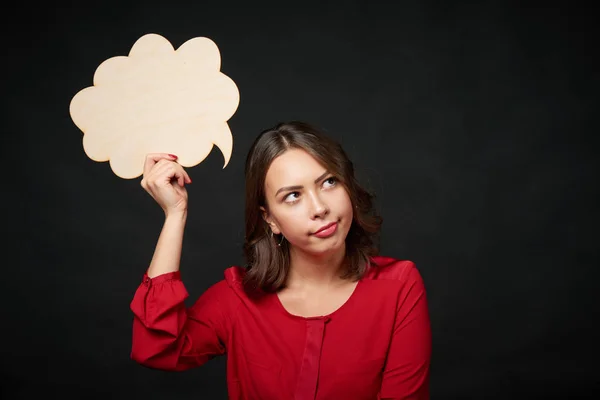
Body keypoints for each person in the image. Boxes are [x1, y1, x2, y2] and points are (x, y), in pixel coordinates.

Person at [130, 121, 432, 399]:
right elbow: (156, 349)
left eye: (328, 182)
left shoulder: (398, 287)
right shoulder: (238, 300)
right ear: (270, 219)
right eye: (292, 196)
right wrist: (175, 214)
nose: (319, 207)